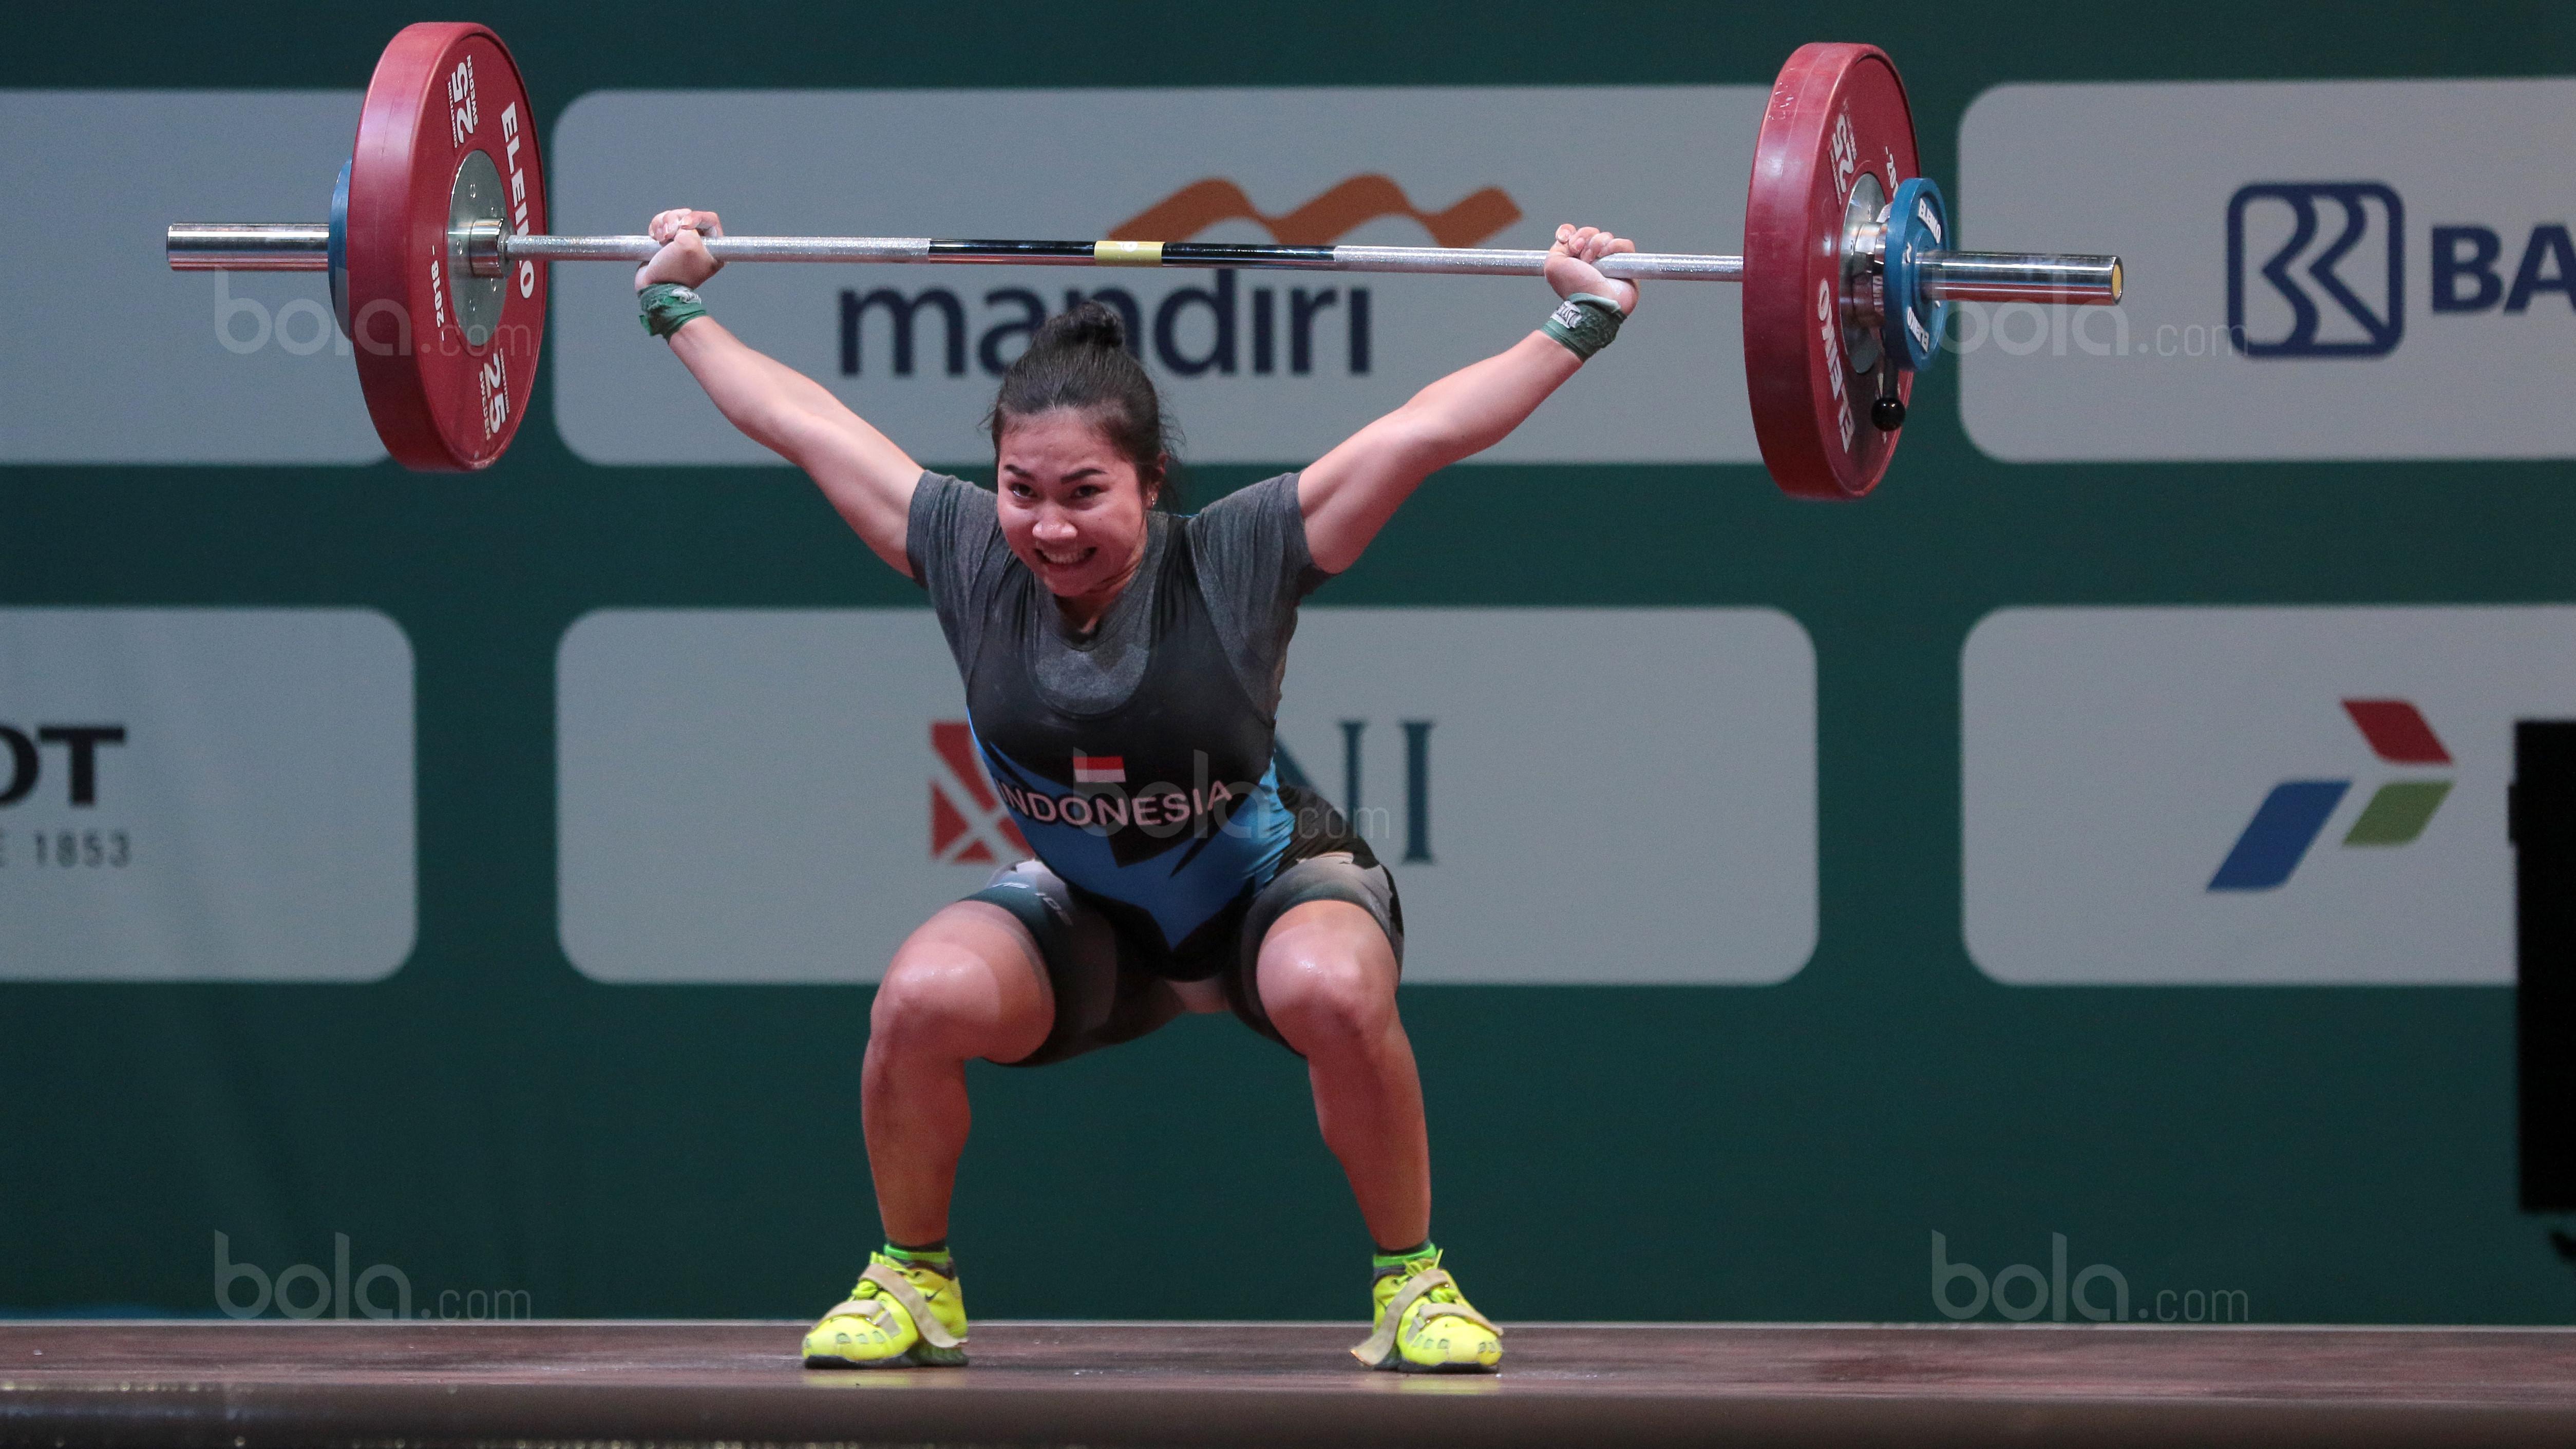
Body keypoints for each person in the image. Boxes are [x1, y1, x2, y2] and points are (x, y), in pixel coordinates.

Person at [633, 208, 1638, 1372]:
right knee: (916, 1003)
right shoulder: (965, 551)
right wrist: (675, 303)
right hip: (1091, 913)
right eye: (1021, 488)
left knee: (1329, 988)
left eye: (1084, 492)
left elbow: (1423, 432)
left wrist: (1582, 319)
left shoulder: (1238, 553)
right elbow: (801, 421)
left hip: (1267, 884)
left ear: (1151, 482)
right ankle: (913, 1281)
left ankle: (1413, 1283)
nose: (1048, 526)